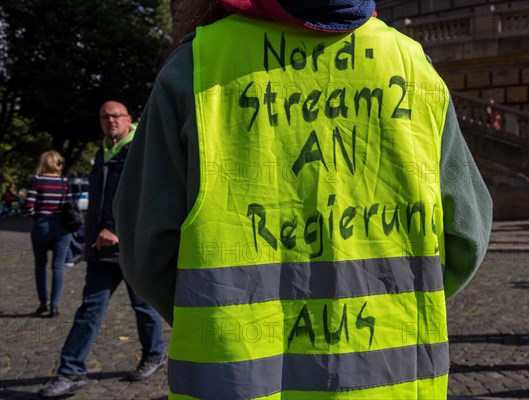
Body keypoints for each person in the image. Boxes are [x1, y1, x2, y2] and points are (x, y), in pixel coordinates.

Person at [115, 2, 493, 399]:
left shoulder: (198, 64)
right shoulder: (412, 66)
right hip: (389, 381)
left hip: (237, 379)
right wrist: (398, 305)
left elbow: (146, 250)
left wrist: (214, 314)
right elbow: (466, 235)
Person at [38, 101, 166, 398]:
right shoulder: (102, 152)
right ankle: (71, 370)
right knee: (89, 310)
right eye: (105, 116)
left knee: (144, 307)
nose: (111, 121)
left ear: (129, 119)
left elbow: (144, 196)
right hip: (100, 249)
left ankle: (155, 354)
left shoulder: (139, 149)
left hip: (133, 246)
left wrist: (115, 228)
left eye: (116, 116)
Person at [24, 151, 73, 317]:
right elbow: (69, 205)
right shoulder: (64, 181)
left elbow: (29, 206)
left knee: (40, 264)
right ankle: (55, 305)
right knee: (58, 266)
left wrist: (35, 216)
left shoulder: (37, 180)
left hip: (42, 225)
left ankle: (43, 302)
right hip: (62, 226)